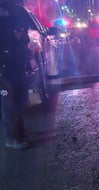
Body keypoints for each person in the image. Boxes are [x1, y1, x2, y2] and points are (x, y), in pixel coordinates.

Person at [0, 2, 30, 149]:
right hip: (3, 70)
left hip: (17, 66)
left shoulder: (14, 15)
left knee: (20, 100)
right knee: (9, 104)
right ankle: (12, 138)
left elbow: (25, 38)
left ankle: (20, 132)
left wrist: (21, 36)